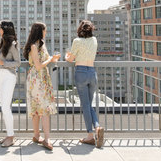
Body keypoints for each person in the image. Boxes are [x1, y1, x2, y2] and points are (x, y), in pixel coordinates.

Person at [65, 20, 104, 148]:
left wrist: (66, 57)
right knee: (89, 105)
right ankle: (97, 127)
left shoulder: (77, 41)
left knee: (86, 105)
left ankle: (90, 135)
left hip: (81, 72)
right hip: (92, 72)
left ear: (80, 30)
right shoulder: (94, 40)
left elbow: (71, 59)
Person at [23, 22, 60, 151]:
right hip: (37, 78)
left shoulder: (41, 45)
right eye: (45, 30)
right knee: (41, 108)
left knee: (39, 107)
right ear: (40, 31)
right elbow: (38, 65)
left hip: (41, 78)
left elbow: (45, 60)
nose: (46, 33)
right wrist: (50, 59)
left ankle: (37, 135)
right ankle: (45, 138)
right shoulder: (34, 46)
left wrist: (52, 58)